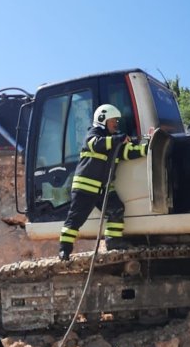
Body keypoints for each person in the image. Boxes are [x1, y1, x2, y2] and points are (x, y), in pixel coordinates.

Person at [58, 104, 148, 260]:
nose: (116, 124)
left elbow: (128, 152)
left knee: (117, 209)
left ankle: (113, 241)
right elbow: (96, 144)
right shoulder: (94, 134)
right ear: (102, 119)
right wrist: (118, 138)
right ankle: (64, 250)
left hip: (103, 189)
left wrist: (147, 149)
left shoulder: (114, 140)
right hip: (85, 188)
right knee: (75, 219)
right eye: (113, 121)